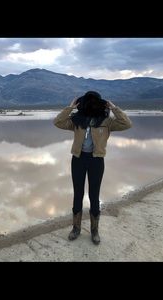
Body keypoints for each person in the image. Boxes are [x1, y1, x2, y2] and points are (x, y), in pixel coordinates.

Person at [53, 91, 132, 245]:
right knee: (78, 194)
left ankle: (94, 230)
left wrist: (114, 108)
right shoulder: (76, 120)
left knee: (94, 196)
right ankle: (76, 228)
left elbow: (127, 124)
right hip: (78, 159)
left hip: (96, 161)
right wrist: (69, 108)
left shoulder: (107, 121)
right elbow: (58, 122)